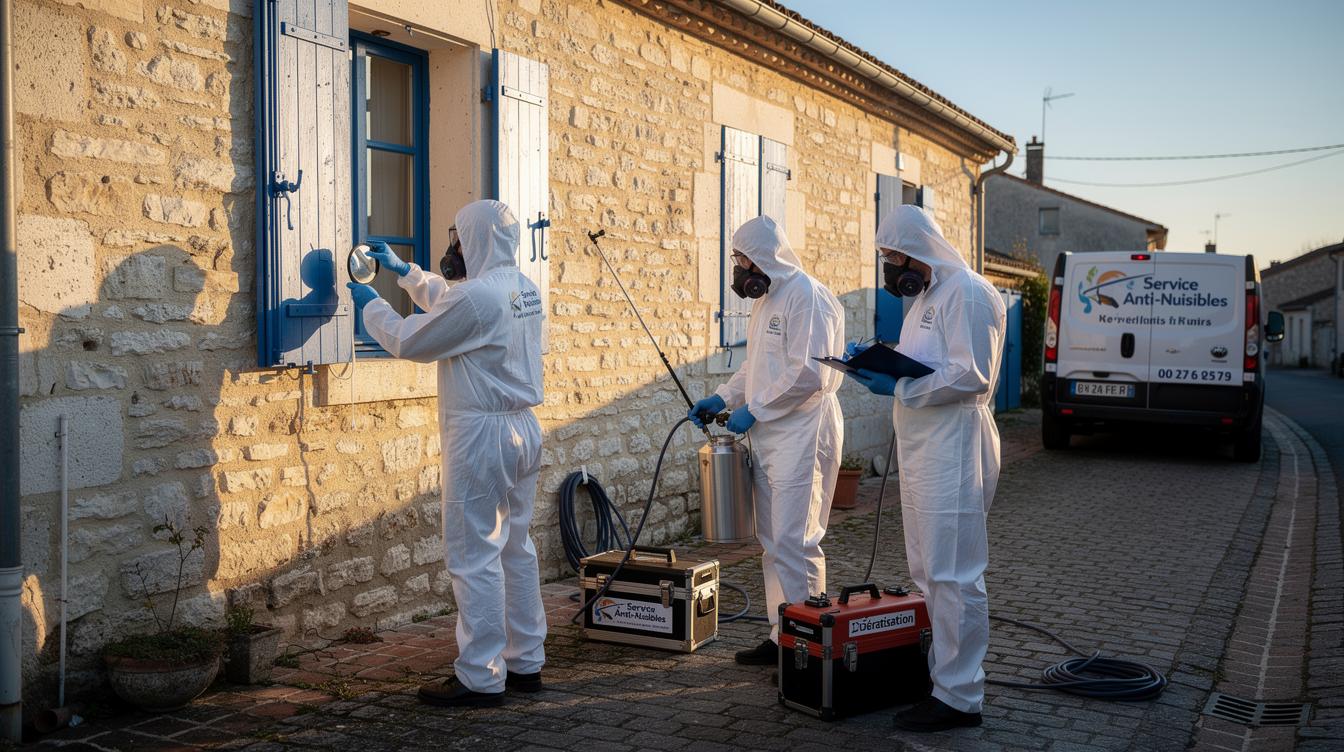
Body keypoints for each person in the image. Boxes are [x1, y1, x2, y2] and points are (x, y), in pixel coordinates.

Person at [347, 200, 547, 708]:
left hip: (482, 435)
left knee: (473, 553)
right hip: (523, 428)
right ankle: (526, 662)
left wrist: (370, 302)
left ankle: (480, 676)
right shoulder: (521, 287)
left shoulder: (478, 297)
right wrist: (408, 274)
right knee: (516, 548)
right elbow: (458, 305)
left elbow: (413, 339)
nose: (453, 247)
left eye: (458, 238)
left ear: (475, 240)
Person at [847, 205, 1005, 732]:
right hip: (923, 449)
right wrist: (877, 359)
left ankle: (961, 699)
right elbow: (930, 362)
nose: (891, 268)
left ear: (918, 249)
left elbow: (972, 376)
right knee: (928, 571)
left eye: (894, 257)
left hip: (954, 446)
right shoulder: (926, 299)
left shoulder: (967, 291)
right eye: (886, 258)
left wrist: (900, 385)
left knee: (954, 573)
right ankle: (945, 680)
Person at [688, 216, 845, 666]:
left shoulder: (806, 296)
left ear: (764, 258)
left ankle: (808, 645)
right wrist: (724, 395)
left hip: (803, 430)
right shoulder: (768, 300)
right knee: (773, 541)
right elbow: (757, 367)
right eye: (737, 261)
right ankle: (782, 635)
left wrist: (755, 409)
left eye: (743, 260)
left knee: (797, 541)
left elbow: (809, 374)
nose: (739, 270)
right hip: (772, 433)